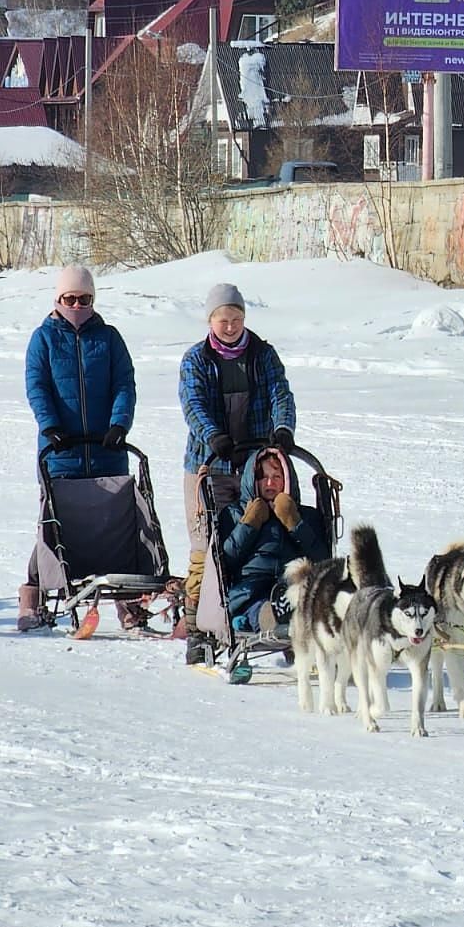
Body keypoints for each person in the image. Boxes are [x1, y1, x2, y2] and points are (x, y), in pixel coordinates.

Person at [177, 282, 296, 662]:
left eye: (237, 319)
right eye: (223, 319)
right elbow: (193, 403)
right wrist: (214, 436)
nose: (230, 326)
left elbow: (281, 393)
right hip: (208, 466)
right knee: (208, 547)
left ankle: (268, 614)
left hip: (253, 467)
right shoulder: (197, 359)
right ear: (211, 321)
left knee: (260, 537)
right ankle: (198, 626)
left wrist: (283, 429)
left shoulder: (263, 355)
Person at [17, 266, 136, 632]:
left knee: (114, 525)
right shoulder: (44, 338)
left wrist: (119, 424)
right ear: (58, 299)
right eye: (71, 299)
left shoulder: (109, 338)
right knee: (53, 523)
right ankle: (32, 595)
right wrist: (51, 426)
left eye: (85, 299)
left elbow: (124, 384)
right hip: (62, 451)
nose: (77, 305)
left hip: (105, 448)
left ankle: (127, 602)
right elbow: (37, 386)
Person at [216, 447, 327, 635]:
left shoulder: (306, 516)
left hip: (293, 584)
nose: (270, 483)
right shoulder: (234, 514)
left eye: (277, 476)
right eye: (263, 476)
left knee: (299, 600)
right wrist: (249, 524)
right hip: (250, 587)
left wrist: (295, 523)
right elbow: (224, 562)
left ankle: (289, 621)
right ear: (252, 480)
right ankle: (270, 619)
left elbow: (323, 559)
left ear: (287, 480)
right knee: (258, 607)